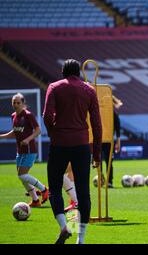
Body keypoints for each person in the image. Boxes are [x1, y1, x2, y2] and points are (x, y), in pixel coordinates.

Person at [43, 59, 102, 244]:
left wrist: (54, 133)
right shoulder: (89, 90)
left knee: (54, 188)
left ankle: (63, 226)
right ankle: (80, 239)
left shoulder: (54, 87)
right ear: (79, 72)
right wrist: (97, 154)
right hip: (81, 145)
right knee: (83, 192)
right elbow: (97, 124)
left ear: (63, 71)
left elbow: (47, 116)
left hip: (59, 144)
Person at [0, 93, 48, 207]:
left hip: (29, 150)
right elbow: (14, 133)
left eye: (18, 103)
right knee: (21, 177)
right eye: (14, 103)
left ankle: (44, 189)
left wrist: (28, 139)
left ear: (23, 103)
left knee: (22, 175)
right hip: (20, 151)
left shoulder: (28, 115)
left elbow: (38, 130)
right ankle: (35, 201)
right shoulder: (13, 116)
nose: (16, 105)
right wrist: (1, 136)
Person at [100, 95, 122, 188]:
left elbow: (118, 130)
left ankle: (109, 182)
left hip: (109, 141)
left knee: (109, 162)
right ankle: (101, 178)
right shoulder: (99, 113)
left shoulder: (114, 114)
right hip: (99, 140)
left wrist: (118, 143)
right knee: (97, 161)